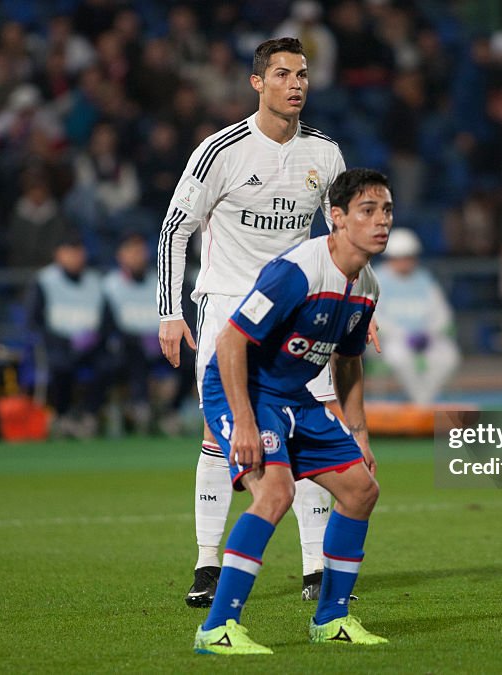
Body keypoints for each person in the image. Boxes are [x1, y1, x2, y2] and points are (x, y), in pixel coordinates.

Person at [157, 37, 349, 607]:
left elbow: (342, 237)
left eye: (303, 75)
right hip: (226, 306)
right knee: (223, 437)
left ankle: (316, 569)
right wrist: (170, 312)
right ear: (257, 83)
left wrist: (352, 306)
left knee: (311, 427)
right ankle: (207, 564)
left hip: (296, 313)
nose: (296, 84)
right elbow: (175, 229)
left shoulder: (325, 153)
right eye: (284, 74)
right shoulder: (221, 150)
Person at [193, 168, 391, 655]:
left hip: (294, 395)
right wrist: (242, 419)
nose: (381, 221)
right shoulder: (299, 270)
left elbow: (347, 362)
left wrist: (359, 434)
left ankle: (331, 619)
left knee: (361, 490)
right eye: (368, 211)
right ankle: (217, 628)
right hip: (242, 387)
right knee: (276, 493)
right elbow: (231, 340)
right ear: (337, 218)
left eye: (386, 210)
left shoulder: (365, 286)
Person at [103, 231, 193, 434]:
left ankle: (171, 412)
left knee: (191, 360)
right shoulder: (111, 285)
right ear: (120, 255)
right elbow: (107, 326)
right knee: (133, 356)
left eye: (140, 249)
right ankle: (140, 408)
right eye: (131, 250)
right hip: (129, 347)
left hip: (162, 342)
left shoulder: (161, 281)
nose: (137, 254)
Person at [27, 230, 107, 439]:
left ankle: (90, 415)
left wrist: (95, 336)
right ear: (58, 254)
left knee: (109, 364)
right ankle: (63, 416)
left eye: (79, 250)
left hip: (90, 344)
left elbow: (107, 320)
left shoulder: (95, 281)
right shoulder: (44, 280)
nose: (75, 256)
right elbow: (34, 320)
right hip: (58, 344)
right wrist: (61, 341)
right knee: (61, 365)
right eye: (69, 251)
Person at [372, 228, 459, 404]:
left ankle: (421, 402)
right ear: (391, 258)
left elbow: (442, 313)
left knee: (449, 357)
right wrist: (402, 334)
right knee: (401, 358)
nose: (404, 262)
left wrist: (429, 333)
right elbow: (374, 316)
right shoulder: (376, 279)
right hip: (392, 340)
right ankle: (421, 403)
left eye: (408, 257)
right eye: (400, 257)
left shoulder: (424, 279)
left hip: (426, 338)